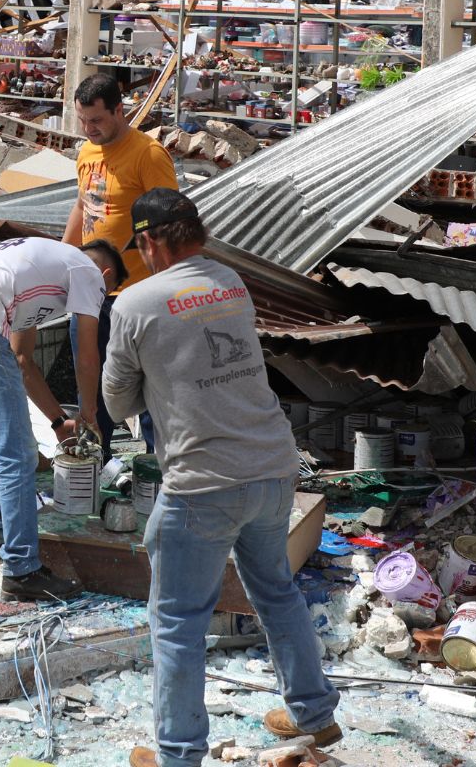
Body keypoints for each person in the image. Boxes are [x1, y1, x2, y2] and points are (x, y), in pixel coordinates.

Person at [103, 189, 339, 767]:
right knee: (276, 591)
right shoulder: (231, 283)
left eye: (142, 245)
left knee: (178, 621)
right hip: (274, 469)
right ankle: (314, 714)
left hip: (202, 484)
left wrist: (155, 391)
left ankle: (179, 754)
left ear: (151, 239)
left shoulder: (135, 304)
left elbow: (115, 402)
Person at [0, 236, 124, 602]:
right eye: (105, 293)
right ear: (107, 274)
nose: (97, 300)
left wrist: (58, 421)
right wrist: (90, 415)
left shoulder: (38, 271)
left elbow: (21, 361)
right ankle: (22, 570)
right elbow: (87, 355)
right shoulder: (87, 271)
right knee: (18, 455)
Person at [62, 72, 177, 456]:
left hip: (136, 294)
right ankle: (98, 466)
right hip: (91, 294)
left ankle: (157, 473)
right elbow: (82, 205)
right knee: (91, 389)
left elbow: (168, 224)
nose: (88, 129)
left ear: (119, 110)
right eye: (82, 120)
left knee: (147, 387)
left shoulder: (147, 154)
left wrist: (163, 289)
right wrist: (63, 259)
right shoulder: (86, 153)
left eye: (96, 120)